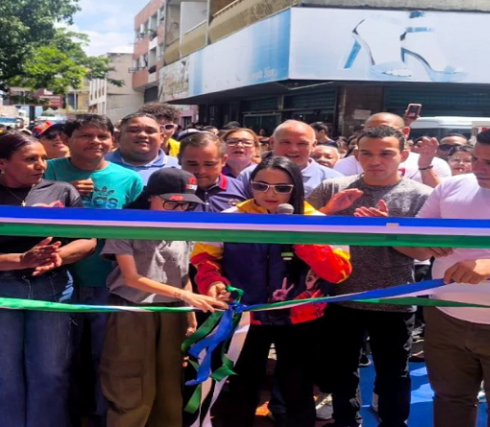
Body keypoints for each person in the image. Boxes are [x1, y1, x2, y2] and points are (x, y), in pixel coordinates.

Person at [0, 133, 97, 427]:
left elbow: (88, 240)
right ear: (1, 163)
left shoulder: (61, 191)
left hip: (51, 290)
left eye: (43, 158)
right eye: (30, 159)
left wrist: (59, 256)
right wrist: (21, 259)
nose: (41, 165)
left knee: (51, 373)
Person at [192, 154, 352, 427]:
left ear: (296, 188)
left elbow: (339, 272)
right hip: (245, 317)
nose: (270, 194)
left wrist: (300, 239)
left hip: (301, 319)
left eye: (281, 188)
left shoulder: (316, 219)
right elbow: (204, 258)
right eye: (261, 186)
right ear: (250, 184)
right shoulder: (231, 218)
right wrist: (213, 283)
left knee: (298, 389)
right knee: (241, 386)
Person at [308, 126, 433, 427]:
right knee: (341, 371)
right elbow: (302, 234)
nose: (375, 160)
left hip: (395, 300)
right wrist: (327, 212)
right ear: (357, 154)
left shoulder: (421, 195)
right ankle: (345, 421)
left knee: (394, 373)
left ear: (403, 155)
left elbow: (423, 253)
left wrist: (389, 230)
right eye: (367, 153)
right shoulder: (334, 188)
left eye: (385, 153)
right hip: (340, 297)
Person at [411, 123, 490, 427]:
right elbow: (417, 249)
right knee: (450, 400)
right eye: (475, 158)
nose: (477, 168)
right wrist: (421, 242)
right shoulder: (452, 187)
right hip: (447, 318)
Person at [101, 168, 226, 427]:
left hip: (173, 311)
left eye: (187, 205)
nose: (179, 210)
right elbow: (131, 278)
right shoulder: (127, 225)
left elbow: (182, 274)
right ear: (151, 196)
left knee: (170, 384)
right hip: (133, 310)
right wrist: (186, 297)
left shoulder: (184, 227)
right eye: (172, 203)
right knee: (131, 383)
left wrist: (189, 314)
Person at [43, 114, 143, 427]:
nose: (95, 142)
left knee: (106, 358)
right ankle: (63, 417)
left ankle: (103, 418)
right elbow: (22, 208)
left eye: (102, 136)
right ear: (67, 140)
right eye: (86, 135)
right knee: (58, 361)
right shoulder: (48, 171)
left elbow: (140, 233)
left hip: (108, 282)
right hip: (55, 280)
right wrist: (62, 191)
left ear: (112, 141)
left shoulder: (129, 180)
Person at [333, 113, 451, 188]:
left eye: (386, 129)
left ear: (405, 132)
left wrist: (425, 167)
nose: (378, 134)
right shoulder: (347, 164)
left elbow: (440, 197)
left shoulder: (436, 164)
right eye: (371, 130)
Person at [239, 120, 343, 197]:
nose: (293, 149)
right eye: (286, 142)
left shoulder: (333, 180)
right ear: (272, 143)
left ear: (314, 145)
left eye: (302, 144)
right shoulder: (248, 175)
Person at [178, 132, 246, 212]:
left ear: (224, 161)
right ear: (179, 160)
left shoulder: (243, 191)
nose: (200, 171)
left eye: (209, 164)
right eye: (192, 164)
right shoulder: (167, 191)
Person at [106, 113, 179, 183]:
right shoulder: (99, 164)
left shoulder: (179, 167)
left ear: (162, 137)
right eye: (134, 130)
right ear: (118, 136)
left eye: (150, 131)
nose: (142, 135)